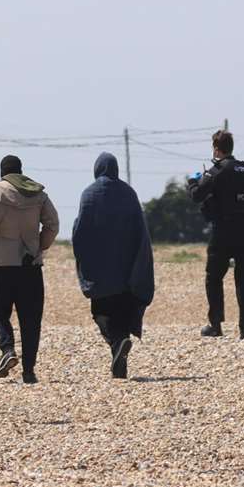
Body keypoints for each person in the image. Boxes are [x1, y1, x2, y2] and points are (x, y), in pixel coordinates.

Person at [0, 155, 59, 383]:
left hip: (1, 264)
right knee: (31, 319)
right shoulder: (39, 193)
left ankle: (8, 349)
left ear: (2, 172)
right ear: (21, 171)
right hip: (30, 264)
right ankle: (29, 371)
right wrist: (40, 245)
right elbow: (53, 223)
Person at [74, 154, 156, 378]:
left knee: (101, 312)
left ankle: (118, 344)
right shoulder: (128, 194)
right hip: (127, 269)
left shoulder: (89, 194)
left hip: (100, 269)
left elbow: (80, 231)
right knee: (122, 312)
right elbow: (141, 230)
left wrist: (82, 260)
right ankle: (119, 353)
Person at [188, 129, 244, 339]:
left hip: (223, 231)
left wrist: (193, 181)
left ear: (216, 149)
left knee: (214, 277)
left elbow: (197, 196)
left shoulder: (216, 170)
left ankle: (216, 326)